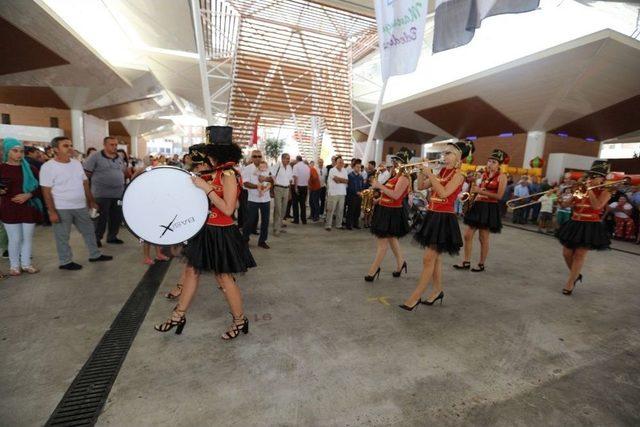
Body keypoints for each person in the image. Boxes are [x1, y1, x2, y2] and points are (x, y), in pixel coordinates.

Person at [155, 126, 256, 340]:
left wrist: (205, 188)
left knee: (224, 278)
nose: (206, 155)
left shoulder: (229, 174)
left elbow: (229, 209)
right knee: (192, 271)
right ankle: (178, 315)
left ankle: (239, 320)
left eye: (210, 152)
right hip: (204, 230)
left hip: (222, 232)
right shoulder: (212, 172)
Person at [401, 141, 472, 310]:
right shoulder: (442, 172)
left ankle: (416, 296)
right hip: (433, 215)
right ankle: (437, 291)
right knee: (436, 259)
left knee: (428, 259)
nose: (444, 156)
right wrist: (421, 172)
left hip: (444, 218)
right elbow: (420, 187)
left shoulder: (459, 175)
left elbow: (444, 193)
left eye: (449, 153)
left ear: (458, 158)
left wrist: (430, 174)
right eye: (444, 153)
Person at [39, 136, 113, 270]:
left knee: (89, 231)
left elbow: (85, 183)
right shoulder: (48, 167)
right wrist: (52, 211)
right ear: (55, 149)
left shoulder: (76, 163)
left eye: (70, 145)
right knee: (62, 236)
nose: (70, 148)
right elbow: (46, 191)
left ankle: (95, 255)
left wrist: (91, 201)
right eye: (65, 146)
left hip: (80, 206)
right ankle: (65, 261)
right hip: (61, 208)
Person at [556, 161, 611, 295]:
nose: (591, 179)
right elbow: (568, 204)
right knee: (566, 253)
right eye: (590, 176)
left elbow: (597, 206)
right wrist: (561, 200)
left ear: (602, 178)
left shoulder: (606, 191)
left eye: (595, 176)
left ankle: (570, 283)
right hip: (574, 223)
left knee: (580, 254)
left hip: (590, 225)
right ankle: (576, 275)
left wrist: (590, 190)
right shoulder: (580, 189)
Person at [454, 149, 508, 272]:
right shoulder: (483, 174)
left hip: (489, 208)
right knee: (467, 235)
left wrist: (480, 191)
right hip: (478, 205)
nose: (490, 164)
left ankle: (481, 264)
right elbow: (474, 188)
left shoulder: (502, 176)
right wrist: (472, 181)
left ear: (499, 164)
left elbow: (499, 196)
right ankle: (466, 261)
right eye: (489, 161)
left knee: (483, 238)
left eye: (493, 162)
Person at [0, 138, 44, 276]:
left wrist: (29, 195)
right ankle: (14, 266)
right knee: (15, 239)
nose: (19, 154)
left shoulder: (31, 169)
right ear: (7, 151)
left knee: (27, 238)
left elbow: (41, 188)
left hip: (28, 207)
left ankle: (26, 264)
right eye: (15, 151)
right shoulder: (1, 168)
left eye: (21, 151)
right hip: (9, 208)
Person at [365, 154, 411, 281]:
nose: (394, 163)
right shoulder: (395, 176)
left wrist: (379, 185)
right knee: (392, 239)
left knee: (383, 242)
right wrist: (379, 199)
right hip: (384, 209)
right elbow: (388, 192)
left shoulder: (404, 178)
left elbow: (396, 195)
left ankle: (374, 269)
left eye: (397, 161)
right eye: (394, 161)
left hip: (392, 212)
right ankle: (401, 263)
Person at [83, 136, 129, 247]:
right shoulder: (95, 157)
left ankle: (112, 237)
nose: (114, 147)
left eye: (116, 145)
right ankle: (97, 238)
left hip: (118, 194)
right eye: (111, 145)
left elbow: (123, 172)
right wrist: (89, 197)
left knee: (116, 217)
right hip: (101, 194)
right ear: (104, 145)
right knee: (101, 219)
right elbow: (86, 175)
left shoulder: (119, 157)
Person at [242, 150, 271, 249]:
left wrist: (266, 180)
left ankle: (262, 241)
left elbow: (271, 180)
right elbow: (245, 183)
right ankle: (245, 240)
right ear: (251, 158)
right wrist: (258, 186)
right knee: (250, 220)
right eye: (255, 156)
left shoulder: (267, 167)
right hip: (253, 199)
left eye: (259, 156)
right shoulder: (247, 169)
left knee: (265, 221)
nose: (257, 158)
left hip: (266, 199)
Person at [271, 153, 292, 236]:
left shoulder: (289, 167)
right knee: (278, 209)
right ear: (282, 159)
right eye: (287, 158)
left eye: (289, 158)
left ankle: (278, 226)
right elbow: (271, 176)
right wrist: (273, 186)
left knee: (283, 210)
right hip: (278, 188)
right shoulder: (277, 166)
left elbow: (290, 180)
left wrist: (290, 191)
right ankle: (276, 229)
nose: (288, 160)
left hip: (286, 189)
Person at [325, 157, 348, 231]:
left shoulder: (344, 170)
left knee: (340, 210)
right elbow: (336, 180)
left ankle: (339, 225)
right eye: (339, 162)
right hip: (333, 193)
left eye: (342, 162)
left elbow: (347, 181)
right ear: (336, 163)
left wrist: (340, 179)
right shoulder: (332, 170)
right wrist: (342, 180)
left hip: (342, 193)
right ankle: (328, 225)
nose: (341, 164)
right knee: (331, 210)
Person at [346, 163, 365, 230]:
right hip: (352, 196)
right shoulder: (350, 176)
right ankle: (348, 224)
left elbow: (362, 186)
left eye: (359, 167)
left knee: (357, 211)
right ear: (354, 167)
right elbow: (349, 187)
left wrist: (362, 192)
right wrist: (356, 192)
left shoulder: (360, 177)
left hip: (359, 196)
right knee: (351, 210)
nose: (358, 168)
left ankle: (355, 224)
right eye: (357, 167)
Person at [292, 155, 310, 224]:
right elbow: (308, 178)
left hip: (298, 186)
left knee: (295, 204)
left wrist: (296, 187)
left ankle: (296, 220)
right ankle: (304, 220)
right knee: (303, 204)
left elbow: (295, 177)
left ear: (297, 160)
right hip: (305, 186)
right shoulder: (307, 167)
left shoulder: (296, 166)